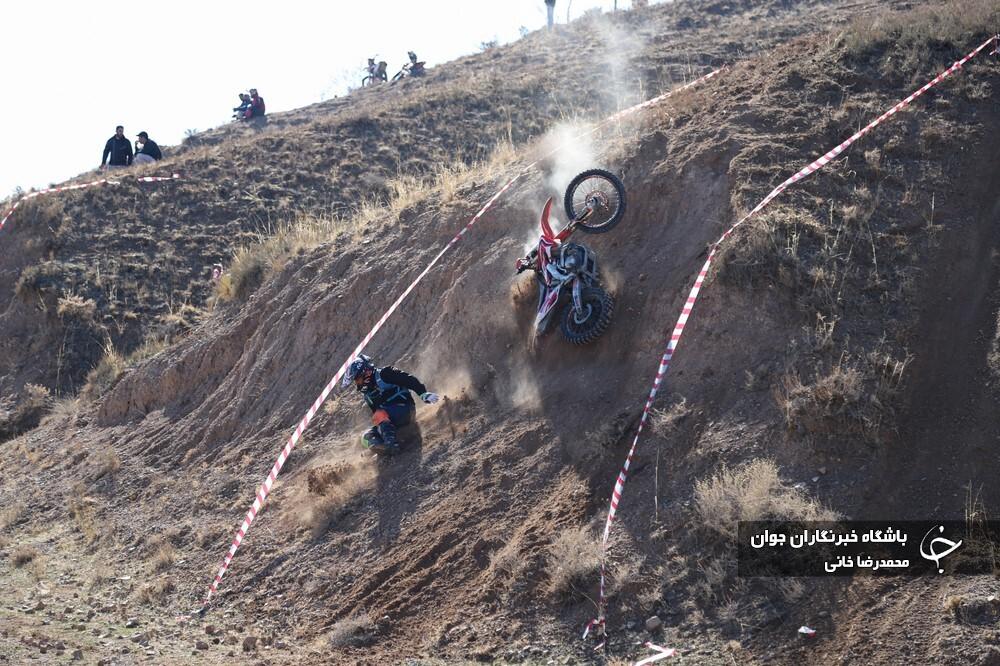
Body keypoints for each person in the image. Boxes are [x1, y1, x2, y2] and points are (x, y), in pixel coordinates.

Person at [342, 354, 439, 456]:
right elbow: (379, 418)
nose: (357, 383)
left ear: (365, 372)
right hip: (392, 421)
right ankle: (385, 449)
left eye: (357, 379)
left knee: (379, 415)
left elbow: (408, 379)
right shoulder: (368, 395)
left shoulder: (384, 373)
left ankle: (392, 447)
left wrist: (423, 394)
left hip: (405, 410)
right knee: (366, 437)